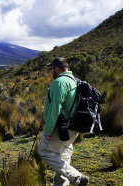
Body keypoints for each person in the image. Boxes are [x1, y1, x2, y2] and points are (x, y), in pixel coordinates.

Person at [38, 57, 89, 186]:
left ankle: (77, 178)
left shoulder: (60, 82)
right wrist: (43, 117)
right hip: (72, 127)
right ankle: (61, 183)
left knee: (44, 151)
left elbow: (56, 107)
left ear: (57, 68)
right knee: (64, 154)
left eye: (52, 69)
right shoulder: (74, 80)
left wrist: (48, 130)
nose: (51, 72)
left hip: (61, 127)